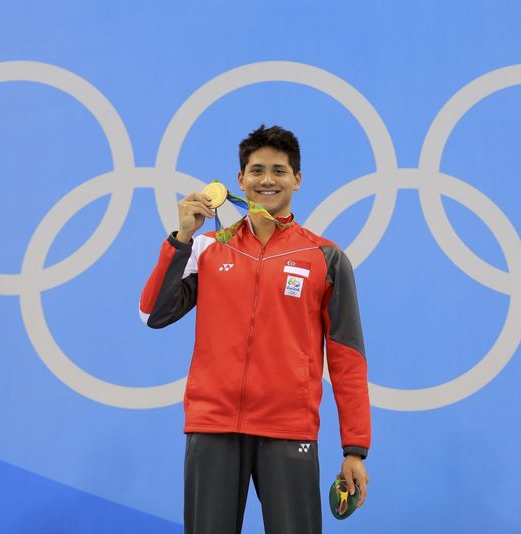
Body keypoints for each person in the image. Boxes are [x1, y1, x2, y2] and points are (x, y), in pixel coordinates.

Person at [139, 125, 371, 533]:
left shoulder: (327, 258)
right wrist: (180, 238)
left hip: (288, 428)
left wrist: (355, 449)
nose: (267, 180)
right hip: (213, 426)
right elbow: (153, 314)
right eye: (257, 170)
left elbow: (347, 358)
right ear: (240, 179)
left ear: (297, 179)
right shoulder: (208, 248)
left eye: (279, 171)